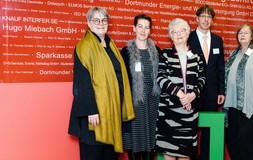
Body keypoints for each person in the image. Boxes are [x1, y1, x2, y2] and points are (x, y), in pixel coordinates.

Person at [68, 6, 135, 160]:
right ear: (89, 23)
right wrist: (91, 110)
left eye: (104, 20)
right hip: (94, 117)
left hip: (113, 113)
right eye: (96, 20)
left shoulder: (111, 46)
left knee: (110, 155)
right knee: (93, 153)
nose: (101, 23)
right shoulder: (84, 47)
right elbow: (81, 83)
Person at [155, 18, 206, 160]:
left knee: (185, 154)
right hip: (169, 111)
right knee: (169, 153)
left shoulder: (196, 54)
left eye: (181, 30)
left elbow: (202, 78)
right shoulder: (165, 54)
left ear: (187, 33)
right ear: (171, 36)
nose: (178, 34)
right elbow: (161, 78)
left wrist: (192, 95)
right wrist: (181, 94)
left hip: (189, 110)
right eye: (174, 32)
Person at [224, 23, 253, 160]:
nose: (242, 35)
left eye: (246, 33)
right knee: (232, 139)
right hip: (232, 105)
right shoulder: (233, 53)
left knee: (248, 141)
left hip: (249, 106)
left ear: (252, 37)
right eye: (240, 32)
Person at [120, 14, 161, 160]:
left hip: (152, 105)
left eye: (146, 27)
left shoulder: (157, 52)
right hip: (134, 106)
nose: (143, 30)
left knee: (150, 145)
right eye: (140, 26)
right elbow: (122, 81)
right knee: (135, 144)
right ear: (134, 28)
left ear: (150, 30)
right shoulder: (125, 52)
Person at [187, 5, 225, 160]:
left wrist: (221, 90)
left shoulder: (217, 40)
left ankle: (205, 157)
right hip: (192, 92)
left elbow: (220, 67)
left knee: (209, 129)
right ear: (197, 19)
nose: (206, 19)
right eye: (203, 16)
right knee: (191, 126)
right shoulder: (188, 38)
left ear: (212, 20)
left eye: (209, 17)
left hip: (212, 92)